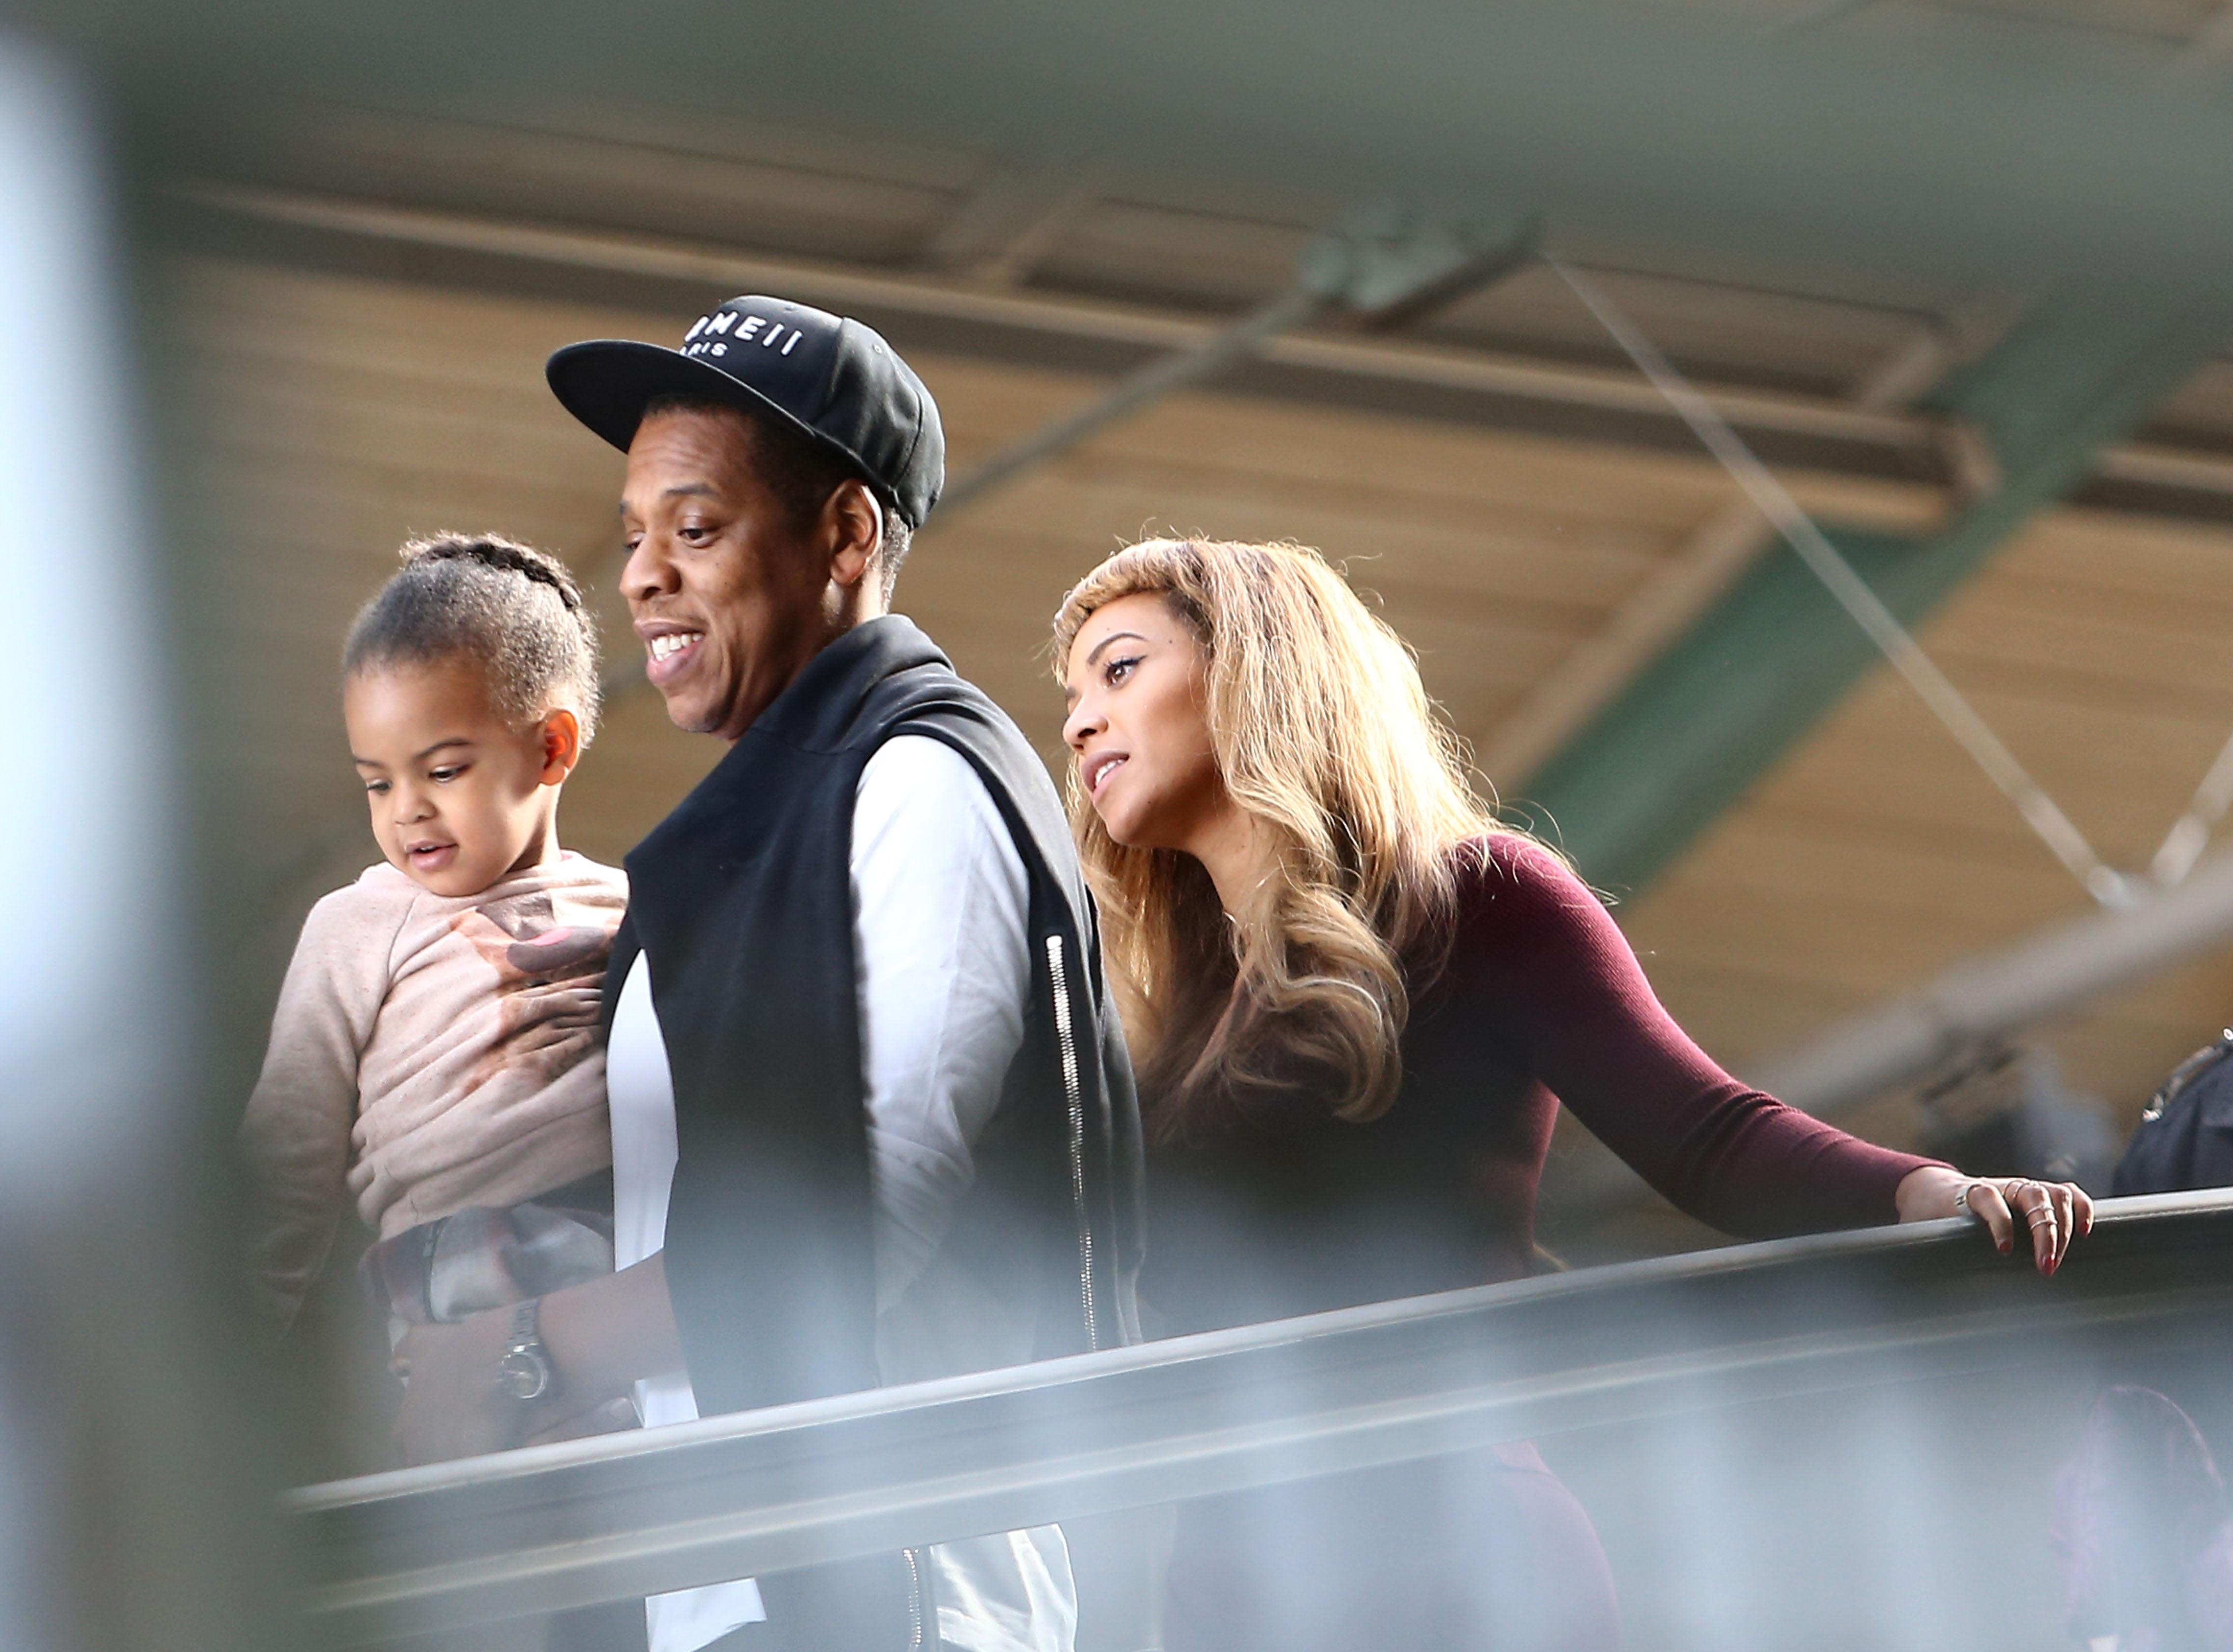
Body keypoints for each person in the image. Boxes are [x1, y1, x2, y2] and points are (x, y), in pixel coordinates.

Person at [1050, 536, 2097, 1652]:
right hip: (1233, 1594)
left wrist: (1936, 1194)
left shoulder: (1478, 899)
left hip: (1461, 1569)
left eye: (1119, 671)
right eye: (1071, 696)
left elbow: (1709, 1133)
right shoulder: (1169, 1028)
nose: (1077, 724)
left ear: (1255, 670)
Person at [399, 295, 1144, 1652]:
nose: (640, 576)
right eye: (634, 538)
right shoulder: (738, 846)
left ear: (846, 534)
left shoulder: (918, 780)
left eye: (695, 529)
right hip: (728, 1589)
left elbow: (859, 1216)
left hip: (895, 1588)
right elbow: (684, 1231)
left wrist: (527, 1358)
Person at [238, 535, 630, 1460]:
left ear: (551, 746)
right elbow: (283, 1169)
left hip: (630, 1275)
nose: (406, 808)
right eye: (378, 782)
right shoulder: (358, 925)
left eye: (442, 771)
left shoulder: (637, 908)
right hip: (452, 1284)